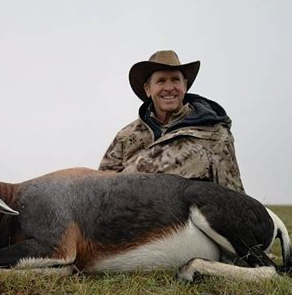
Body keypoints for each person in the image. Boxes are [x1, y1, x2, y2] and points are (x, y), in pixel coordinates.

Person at [99, 50, 244, 193]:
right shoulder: (125, 137)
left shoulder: (215, 134)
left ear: (184, 85)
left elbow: (233, 197)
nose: (169, 88)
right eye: (161, 81)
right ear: (148, 89)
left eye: (175, 79)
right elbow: (101, 191)